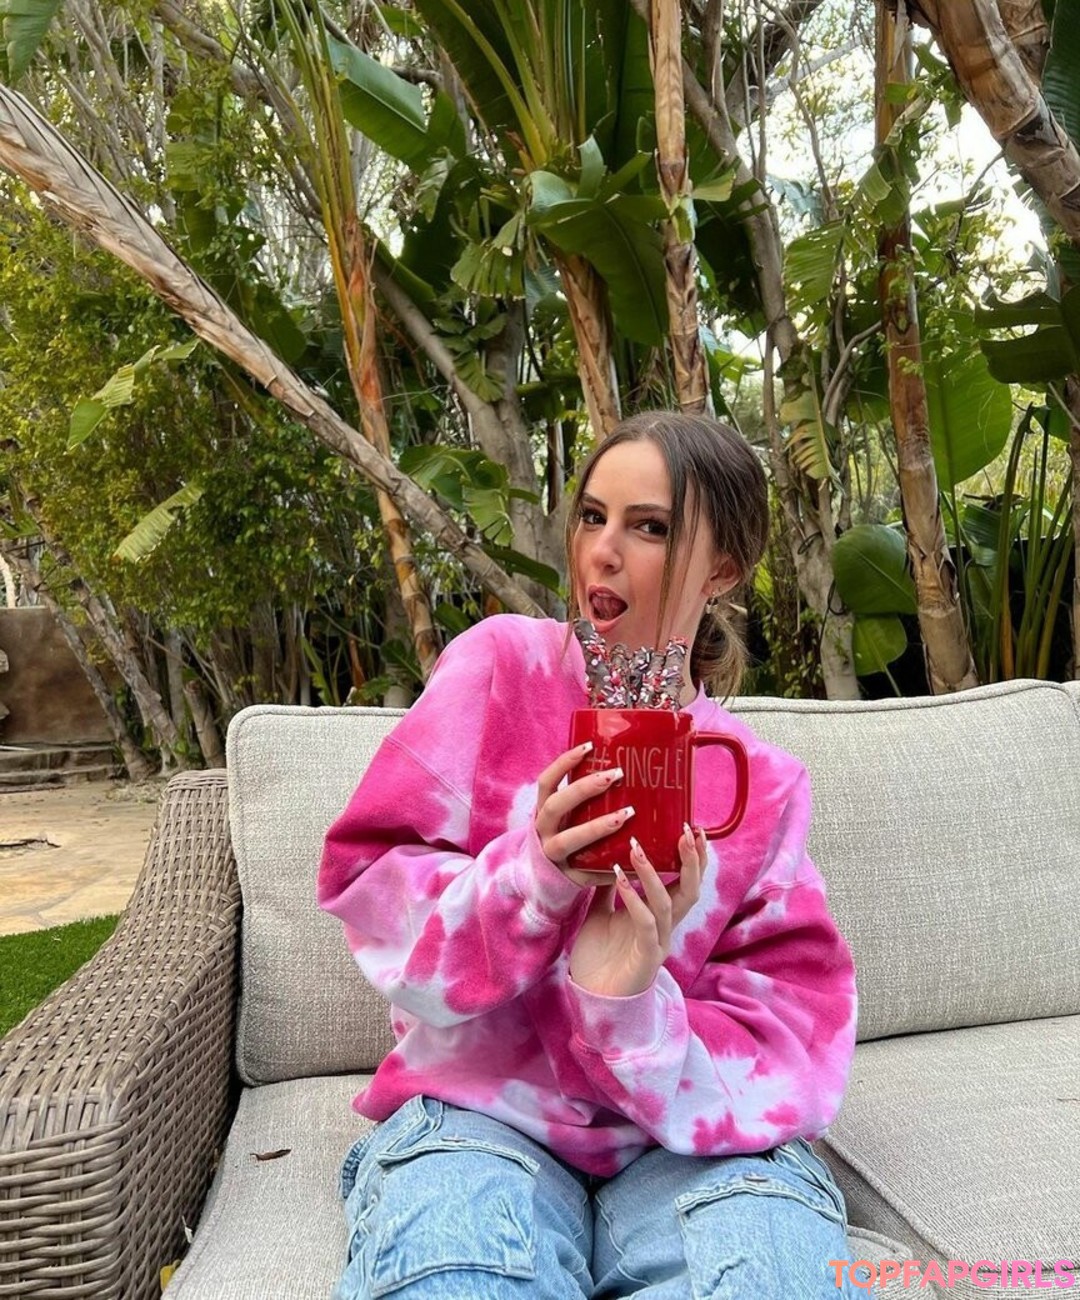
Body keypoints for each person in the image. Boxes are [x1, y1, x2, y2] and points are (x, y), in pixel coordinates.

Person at [319, 410, 859, 1299]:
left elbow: (792, 1034)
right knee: (457, 1274)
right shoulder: (500, 669)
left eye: (650, 528)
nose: (601, 552)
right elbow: (371, 886)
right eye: (593, 516)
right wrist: (534, 880)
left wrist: (629, 1003)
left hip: (689, 1148)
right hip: (482, 1120)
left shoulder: (758, 784)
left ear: (723, 568)